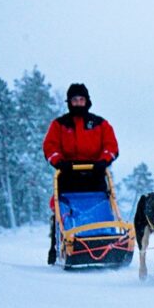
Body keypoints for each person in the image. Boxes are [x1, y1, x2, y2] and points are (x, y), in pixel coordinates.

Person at [44, 83, 119, 264]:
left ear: (87, 101)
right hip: (68, 175)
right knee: (62, 209)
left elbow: (111, 146)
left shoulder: (100, 124)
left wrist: (103, 160)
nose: (78, 103)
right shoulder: (60, 125)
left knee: (102, 206)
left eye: (81, 99)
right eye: (74, 100)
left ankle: (106, 238)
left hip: (95, 174)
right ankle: (60, 243)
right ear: (69, 102)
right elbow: (50, 147)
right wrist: (59, 161)